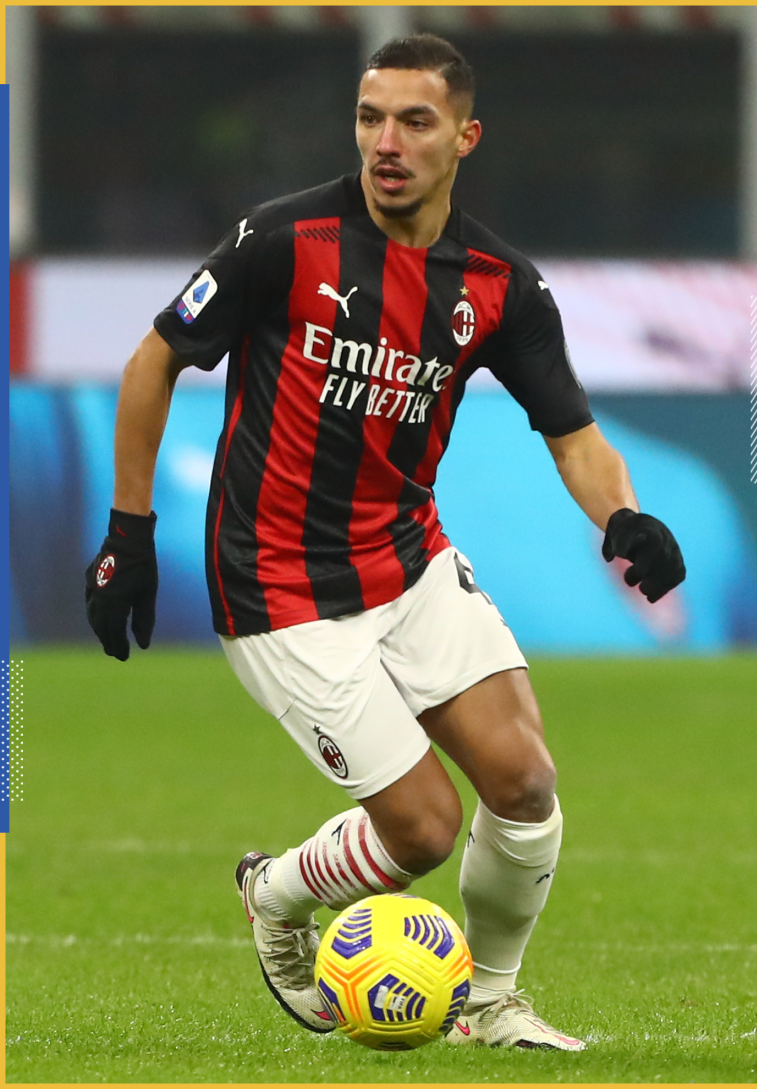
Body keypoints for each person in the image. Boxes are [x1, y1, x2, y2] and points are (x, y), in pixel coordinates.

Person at [85, 34, 685, 1051]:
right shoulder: (282, 240)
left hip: (404, 561)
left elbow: (571, 435)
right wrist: (125, 535)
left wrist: (620, 516)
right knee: (420, 829)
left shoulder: (500, 284)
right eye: (370, 118)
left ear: (464, 136)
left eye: (414, 121)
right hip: (274, 582)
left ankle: (488, 1003)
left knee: (525, 783)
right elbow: (152, 362)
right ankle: (274, 891)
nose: (386, 142)